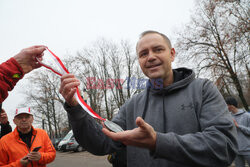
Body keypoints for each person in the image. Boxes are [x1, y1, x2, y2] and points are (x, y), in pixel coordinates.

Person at [60, 30, 237, 167]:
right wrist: (75, 108)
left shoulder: (202, 89)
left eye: (158, 49)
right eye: (143, 54)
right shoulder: (132, 105)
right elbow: (101, 143)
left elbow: (224, 146)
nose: (150, 57)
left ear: (172, 53)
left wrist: (158, 142)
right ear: (139, 61)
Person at [225, 96, 250, 167]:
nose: (225, 107)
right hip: (236, 150)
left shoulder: (247, 116)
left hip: (248, 149)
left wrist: (238, 126)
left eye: (226, 105)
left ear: (231, 105)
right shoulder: (228, 117)